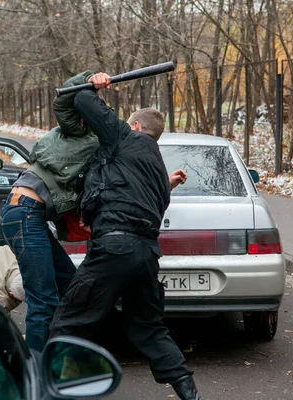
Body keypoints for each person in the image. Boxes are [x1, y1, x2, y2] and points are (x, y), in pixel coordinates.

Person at [49, 72, 200, 400]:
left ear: (134, 126)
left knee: (68, 322)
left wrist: (95, 81)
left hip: (113, 248)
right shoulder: (158, 173)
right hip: (146, 254)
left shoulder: (123, 138)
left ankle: (54, 391)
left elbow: (83, 100)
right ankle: (187, 390)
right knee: (147, 326)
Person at [0, 71, 100, 352]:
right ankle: (37, 376)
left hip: (32, 217)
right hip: (24, 212)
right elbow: (63, 99)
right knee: (43, 300)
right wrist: (90, 77)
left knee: (68, 284)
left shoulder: (98, 144)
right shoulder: (76, 131)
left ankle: (60, 356)